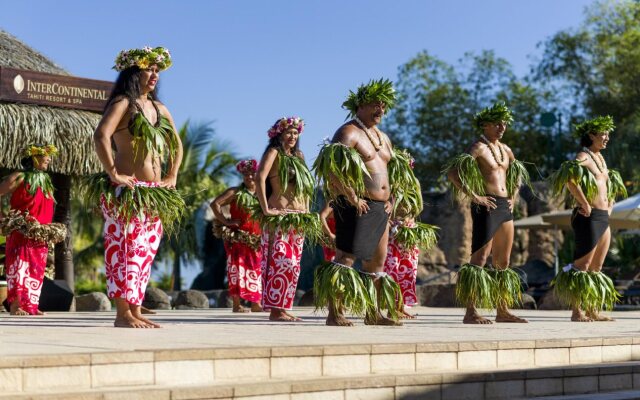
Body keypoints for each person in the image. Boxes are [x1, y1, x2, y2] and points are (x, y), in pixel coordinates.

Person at [91, 46, 185, 328]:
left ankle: (135, 309)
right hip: (128, 192)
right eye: (149, 68)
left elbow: (176, 145)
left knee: (144, 254)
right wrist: (113, 173)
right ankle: (122, 314)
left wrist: (172, 175)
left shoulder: (159, 108)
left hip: (154, 193)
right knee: (124, 252)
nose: (155, 74)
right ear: (134, 71)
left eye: (158, 70)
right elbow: (101, 136)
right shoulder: (123, 103)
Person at [313, 78, 404, 327]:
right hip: (356, 204)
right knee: (346, 258)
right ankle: (335, 313)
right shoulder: (348, 132)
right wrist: (352, 196)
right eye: (376, 104)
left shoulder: (383, 138)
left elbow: (391, 171)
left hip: (381, 206)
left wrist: (392, 199)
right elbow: (331, 167)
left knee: (377, 262)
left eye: (384, 106)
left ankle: (373, 313)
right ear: (360, 105)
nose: (381, 109)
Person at [444, 102, 530, 324]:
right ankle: (470, 312)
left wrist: (513, 195)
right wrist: (475, 196)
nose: (502, 127)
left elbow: (516, 174)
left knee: (504, 261)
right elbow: (454, 173)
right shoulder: (478, 147)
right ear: (484, 125)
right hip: (486, 206)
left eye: (504, 123)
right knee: (479, 259)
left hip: (504, 206)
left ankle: (502, 310)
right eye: (497, 123)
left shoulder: (506, 149)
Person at [550, 116, 625, 322]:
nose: (607, 138)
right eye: (603, 134)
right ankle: (577, 311)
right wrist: (583, 202)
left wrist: (609, 205)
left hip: (602, 216)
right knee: (582, 266)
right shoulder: (583, 155)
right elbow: (569, 177)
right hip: (588, 216)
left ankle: (591, 309)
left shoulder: (601, 158)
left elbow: (606, 186)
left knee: (597, 267)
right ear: (591, 135)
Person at [255, 117, 319, 322]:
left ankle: (283, 307)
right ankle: (275, 310)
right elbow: (260, 177)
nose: (292, 136)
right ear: (279, 134)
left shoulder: (298, 155)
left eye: (295, 132)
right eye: (288, 132)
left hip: (298, 218)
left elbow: (305, 185)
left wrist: (307, 209)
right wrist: (266, 209)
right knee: (281, 262)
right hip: (280, 216)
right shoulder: (274, 153)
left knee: (293, 265)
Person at [0, 144, 66, 315]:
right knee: (19, 266)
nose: (49, 159)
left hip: (40, 233)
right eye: (46, 156)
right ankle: (16, 305)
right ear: (34, 157)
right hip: (21, 229)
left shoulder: (46, 181)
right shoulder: (20, 176)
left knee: (36, 268)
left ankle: (31, 305)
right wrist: (2, 217)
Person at [383, 149, 438, 319]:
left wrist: (409, 219)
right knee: (391, 268)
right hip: (391, 230)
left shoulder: (414, 183)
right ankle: (391, 305)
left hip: (409, 230)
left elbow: (418, 206)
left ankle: (401, 306)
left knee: (408, 270)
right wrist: (388, 221)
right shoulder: (388, 181)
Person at [211, 159, 263, 313]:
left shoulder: (262, 193)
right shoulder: (235, 192)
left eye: (253, 173)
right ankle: (236, 304)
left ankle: (256, 303)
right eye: (246, 174)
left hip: (256, 237)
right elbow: (215, 204)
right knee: (237, 269)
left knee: (257, 269)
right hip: (238, 237)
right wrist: (226, 222)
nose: (250, 177)